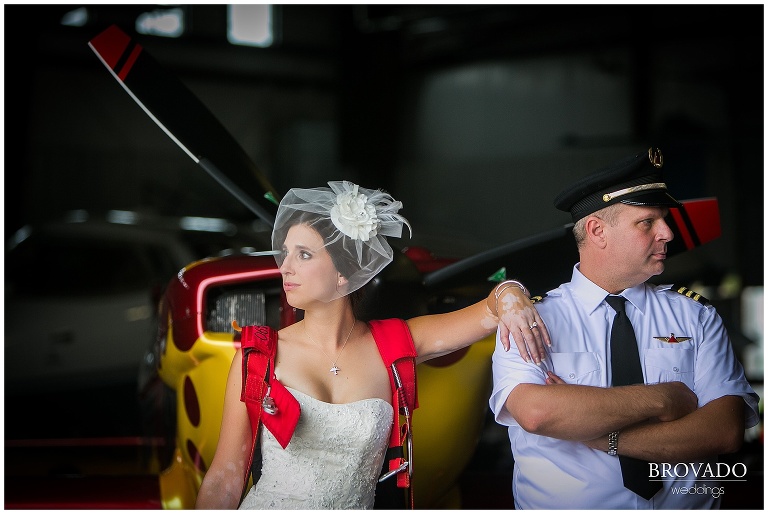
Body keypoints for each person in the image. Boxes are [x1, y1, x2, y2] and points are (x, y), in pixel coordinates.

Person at [195, 180, 550, 509]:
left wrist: (510, 292)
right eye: (285, 253)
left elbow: (488, 308)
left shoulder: (395, 343)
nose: (284, 266)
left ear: (344, 271)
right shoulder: (257, 355)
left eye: (303, 254)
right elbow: (225, 478)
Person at [489, 148, 760, 509]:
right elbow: (538, 413)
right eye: (647, 222)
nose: (667, 233)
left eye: (664, 219)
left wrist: (604, 436)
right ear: (597, 230)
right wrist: (668, 398)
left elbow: (724, 432)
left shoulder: (695, 315)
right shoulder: (530, 320)